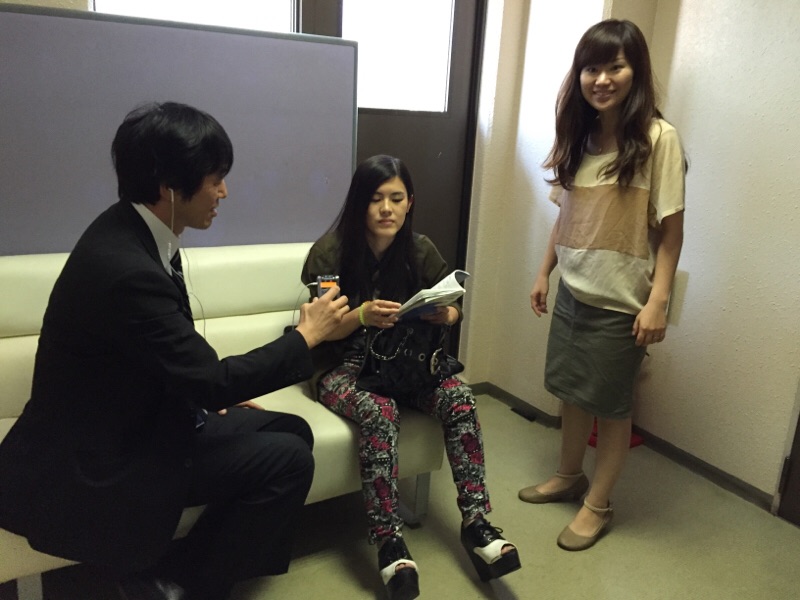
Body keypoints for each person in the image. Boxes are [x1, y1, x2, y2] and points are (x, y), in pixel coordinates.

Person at [0, 102, 349, 600]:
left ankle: (170, 573)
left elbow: (169, 360)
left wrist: (204, 391)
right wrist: (307, 337)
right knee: (289, 459)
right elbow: (210, 380)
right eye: (215, 179)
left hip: (143, 417)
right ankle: (184, 584)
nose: (224, 192)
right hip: (108, 456)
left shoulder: (136, 231)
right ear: (169, 187)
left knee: (293, 429)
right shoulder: (126, 269)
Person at [301, 155, 520, 600]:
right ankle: (389, 541)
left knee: (460, 398)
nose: (387, 209)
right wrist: (362, 315)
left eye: (396, 199)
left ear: (409, 203)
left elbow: (454, 303)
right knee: (380, 413)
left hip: (407, 363)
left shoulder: (420, 251)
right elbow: (321, 331)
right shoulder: (328, 254)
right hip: (344, 367)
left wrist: (448, 314)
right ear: (359, 203)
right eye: (375, 199)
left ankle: (477, 523)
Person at [517, 19, 686, 552]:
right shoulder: (580, 137)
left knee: (611, 409)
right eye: (592, 68)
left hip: (622, 303)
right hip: (574, 291)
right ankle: (569, 476)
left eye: (615, 66)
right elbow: (565, 216)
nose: (602, 79)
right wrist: (544, 272)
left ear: (636, 72)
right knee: (572, 394)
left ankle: (598, 505)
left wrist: (657, 303)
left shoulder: (658, 139)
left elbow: (672, 235)